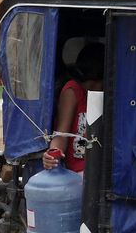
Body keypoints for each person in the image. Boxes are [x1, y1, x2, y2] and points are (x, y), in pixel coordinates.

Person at [41, 42, 105, 172]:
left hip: (102, 169)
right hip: (77, 171)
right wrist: (53, 153)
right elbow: (61, 133)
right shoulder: (73, 90)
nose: (94, 89)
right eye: (90, 83)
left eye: (98, 84)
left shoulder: (111, 95)